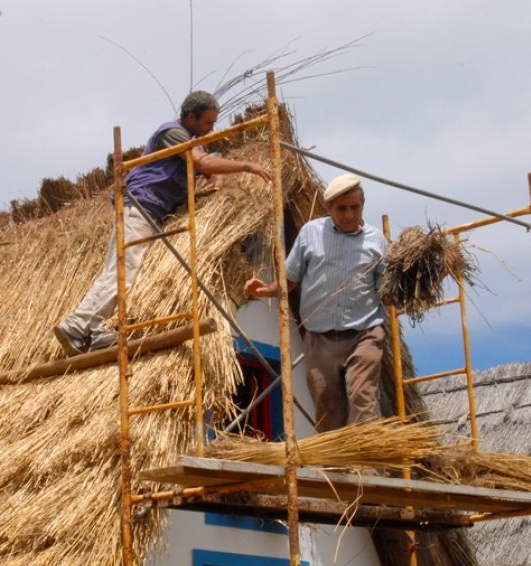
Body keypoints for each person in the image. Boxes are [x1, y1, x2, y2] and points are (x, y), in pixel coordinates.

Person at [54, 90, 273, 356]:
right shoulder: (172, 132)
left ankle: (95, 330)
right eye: (207, 123)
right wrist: (247, 167)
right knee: (123, 270)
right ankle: (76, 324)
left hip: (153, 212)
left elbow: (205, 165)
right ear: (190, 117)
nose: (211, 128)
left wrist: (213, 177)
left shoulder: (193, 141)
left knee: (126, 271)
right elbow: (200, 161)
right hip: (140, 205)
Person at [244, 173, 387, 433]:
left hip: (364, 332)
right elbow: (291, 279)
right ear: (328, 208)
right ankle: (336, 469)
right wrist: (266, 289)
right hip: (320, 336)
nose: (348, 215)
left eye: (354, 207)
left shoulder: (375, 240)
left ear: (362, 205)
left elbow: (386, 291)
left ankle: (371, 467)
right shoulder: (311, 233)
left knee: (362, 395)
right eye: (341, 208)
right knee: (327, 405)